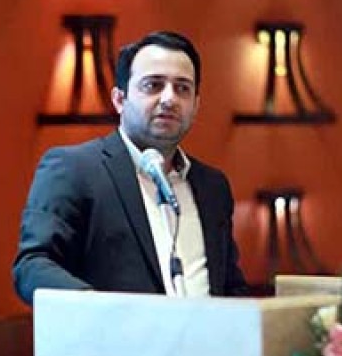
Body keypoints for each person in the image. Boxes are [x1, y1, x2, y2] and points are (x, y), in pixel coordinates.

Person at [14, 29, 248, 304]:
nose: (169, 99)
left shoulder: (212, 186)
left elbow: (229, 286)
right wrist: (107, 312)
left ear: (196, 105)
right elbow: (33, 266)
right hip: (112, 331)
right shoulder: (75, 170)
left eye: (182, 88)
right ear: (119, 99)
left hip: (207, 332)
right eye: (153, 85)